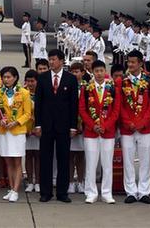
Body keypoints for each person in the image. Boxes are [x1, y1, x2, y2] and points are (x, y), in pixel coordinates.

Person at [35, 49, 79, 203]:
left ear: (61, 61)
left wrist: (73, 126)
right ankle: (45, 192)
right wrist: (38, 124)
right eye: (50, 59)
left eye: (54, 59)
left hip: (64, 126)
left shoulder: (70, 79)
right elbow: (38, 104)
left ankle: (62, 192)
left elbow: (74, 105)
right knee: (45, 159)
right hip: (46, 125)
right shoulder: (43, 78)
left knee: (63, 159)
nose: (51, 62)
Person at [116, 50, 150, 204]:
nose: (130, 65)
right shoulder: (121, 82)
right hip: (128, 128)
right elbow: (120, 106)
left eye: (133, 62)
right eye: (129, 62)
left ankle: (144, 191)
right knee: (128, 160)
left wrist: (142, 122)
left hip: (144, 127)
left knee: (145, 160)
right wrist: (128, 122)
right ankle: (131, 191)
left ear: (140, 63)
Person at [78, 60, 120, 204]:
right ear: (93, 72)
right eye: (96, 71)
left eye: (102, 71)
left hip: (107, 132)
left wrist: (107, 125)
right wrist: (92, 125)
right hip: (91, 131)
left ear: (105, 71)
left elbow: (116, 110)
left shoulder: (112, 88)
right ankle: (91, 192)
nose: (99, 74)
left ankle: (107, 192)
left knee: (107, 163)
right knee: (91, 163)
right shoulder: (87, 88)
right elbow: (82, 110)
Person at [0, 67, 32, 203]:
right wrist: (0, 120)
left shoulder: (24, 93)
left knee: (16, 161)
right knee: (8, 161)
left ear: (15, 78)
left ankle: (16, 189)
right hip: (4, 131)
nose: (6, 80)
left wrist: (16, 122)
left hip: (17, 132)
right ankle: (10, 188)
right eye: (4, 77)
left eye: (9, 77)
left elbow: (27, 113)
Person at [68, 62, 86, 194]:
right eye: (72, 72)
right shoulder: (67, 86)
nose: (75, 74)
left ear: (83, 73)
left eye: (77, 71)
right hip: (70, 126)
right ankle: (70, 182)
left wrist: (82, 123)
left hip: (83, 125)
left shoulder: (87, 87)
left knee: (80, 156)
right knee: (70, 156)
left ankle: (80, 181)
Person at [24, 70, 40, 193]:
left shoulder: (42, 93)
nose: (30, 83)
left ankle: (38, 181)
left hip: (39, 130)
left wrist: (38, 127)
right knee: (29, 156)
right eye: (28, 81)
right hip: (26, 130)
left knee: (38, 156)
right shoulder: (23, 94)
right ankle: (30, 182)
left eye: (32, 81)